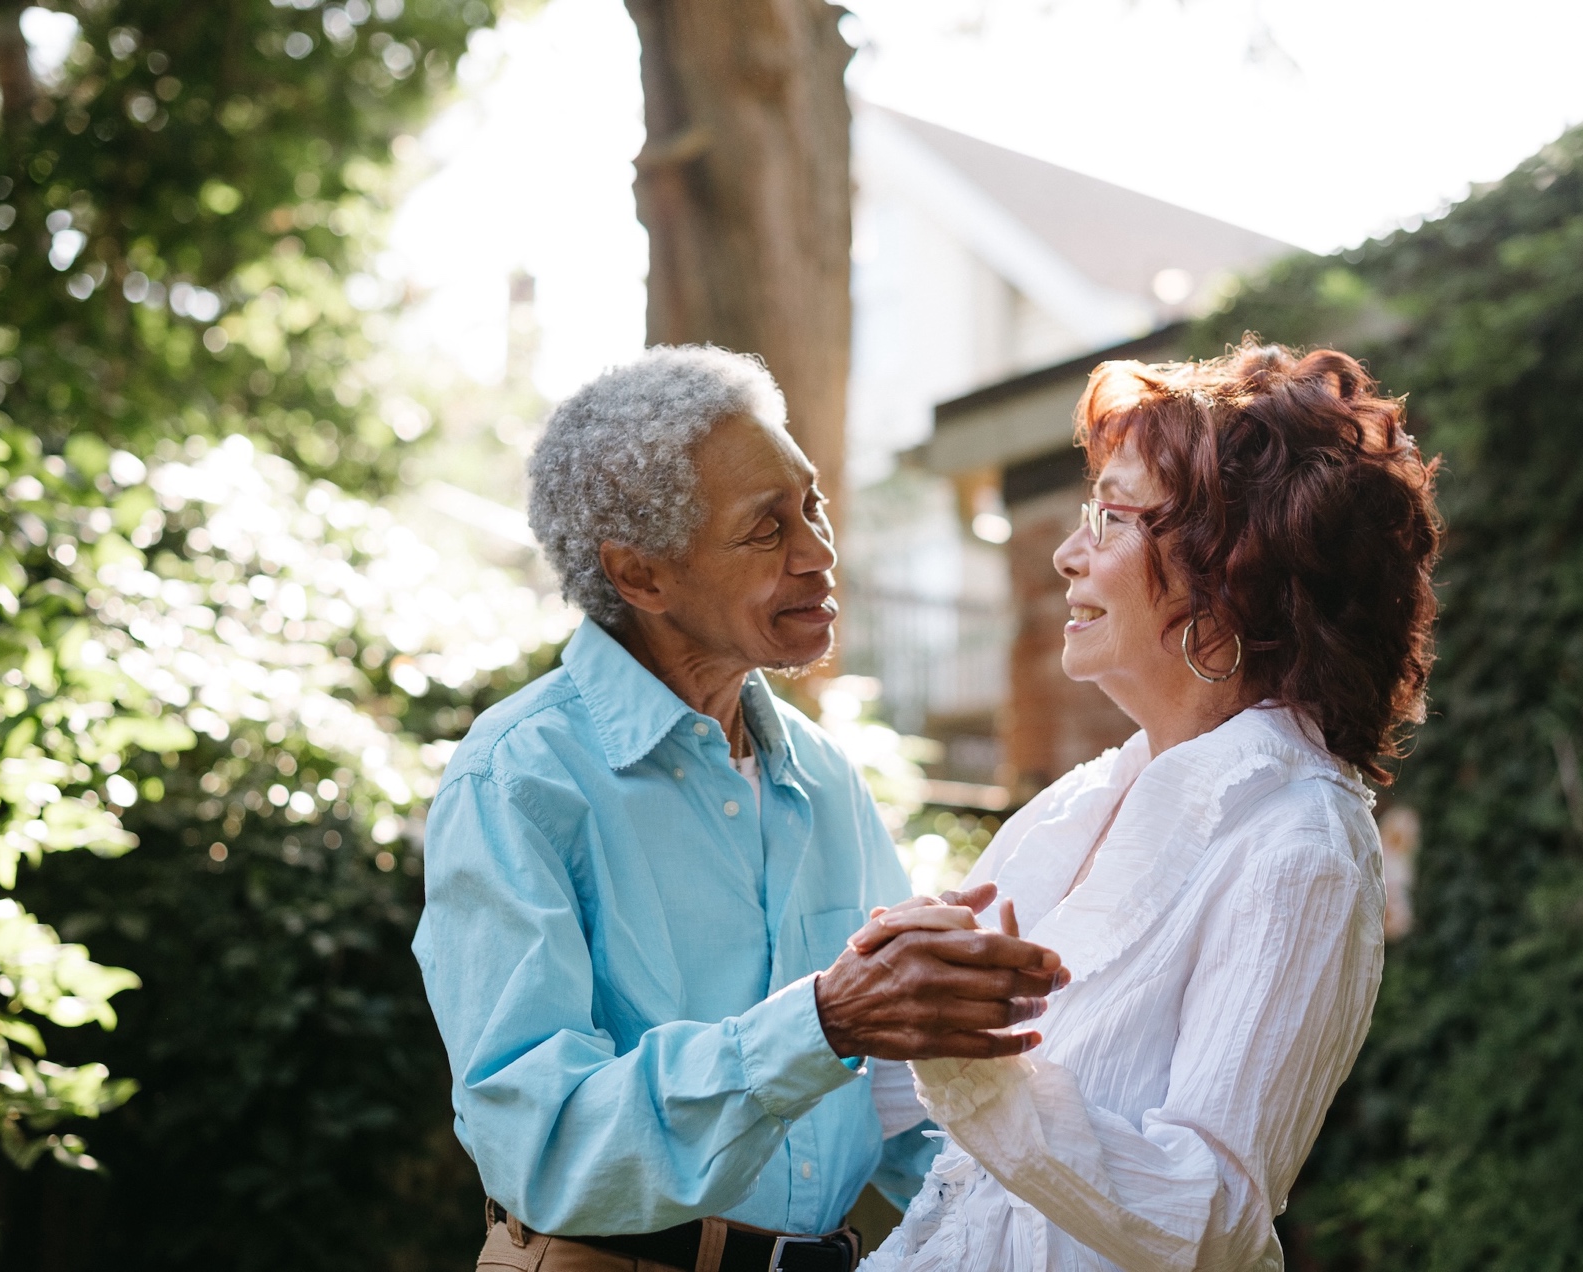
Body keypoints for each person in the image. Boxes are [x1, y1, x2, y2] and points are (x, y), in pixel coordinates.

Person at [413, 346, 1067, 1272]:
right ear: (640, 576)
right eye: (766, 529)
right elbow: (544, 1149)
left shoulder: (824, 776)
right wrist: (822, 1022)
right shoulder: (518, 779)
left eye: (812, 506)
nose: (818, 553)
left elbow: (903, 1099)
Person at [846, 341, 1443, 1272]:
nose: (1066, 552)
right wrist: (890, 983)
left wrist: (971, 1068)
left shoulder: (1298, 841)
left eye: (1112, 517)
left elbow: (1206, 1218)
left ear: (1233, 573)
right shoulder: (1075, 807)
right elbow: (900, 1103)